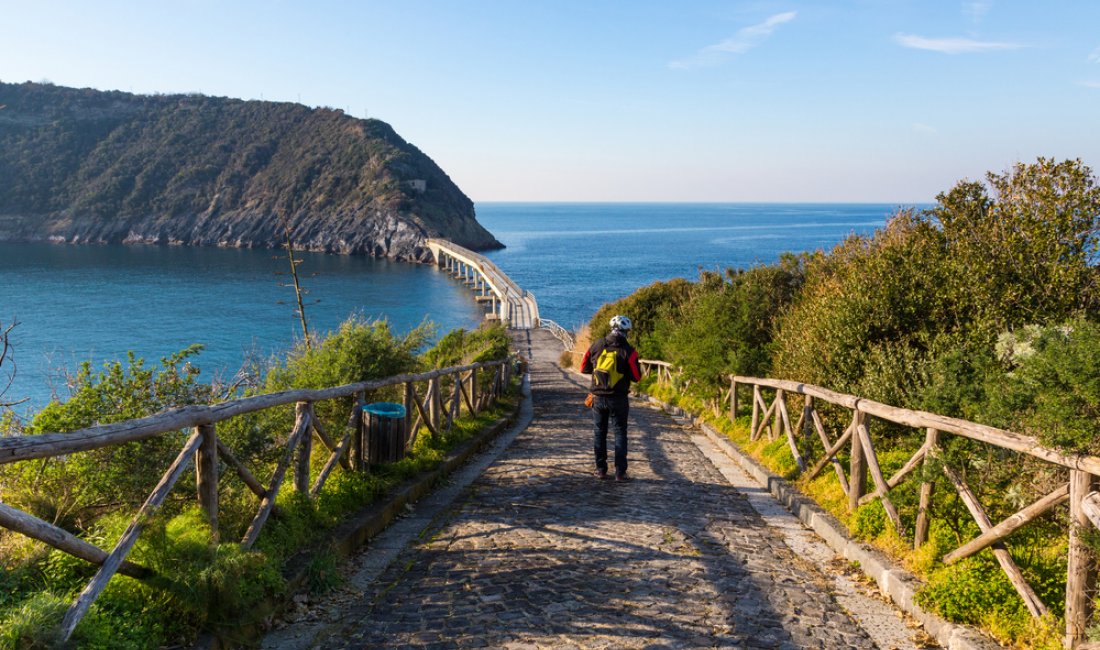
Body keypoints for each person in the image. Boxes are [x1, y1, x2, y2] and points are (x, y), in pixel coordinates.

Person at [580, 315, 642, 481]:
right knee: (620, 433)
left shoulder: (597, 344)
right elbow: (637, 377)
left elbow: (583, 367)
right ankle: (620, 473)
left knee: (599, 433)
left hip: (598, 397)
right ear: (626, 331)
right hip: (619, 399)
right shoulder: (629, 351)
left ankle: (601, 470)